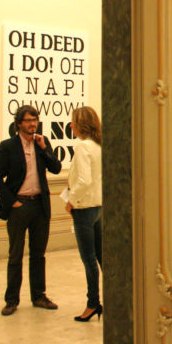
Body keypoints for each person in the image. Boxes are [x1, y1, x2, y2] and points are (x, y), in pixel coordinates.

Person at [0, 105, 62, 316]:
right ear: (19, 123)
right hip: (19, 206)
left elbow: (56, 168)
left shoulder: (42, 142)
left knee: (38, 254)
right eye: (28, 120)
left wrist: (44, 149)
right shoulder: (8, 146)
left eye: (35, 120)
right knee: (15, 255)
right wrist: (12, 202)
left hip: (40, 205)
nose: (32, 124)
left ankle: (39, 296)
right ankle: (11, 300)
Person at [66, 106, 104, 322]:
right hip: (98, 206)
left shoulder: (82, 147)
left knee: (89, 259)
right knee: (101, 256)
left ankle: (92, 303)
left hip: (84, 208)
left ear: (80, 125)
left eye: (73, 122)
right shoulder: (99, 146)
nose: (71, 126)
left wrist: (71, 201)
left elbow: (84, 181)